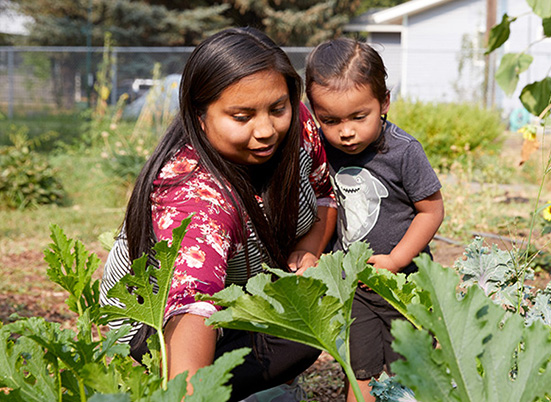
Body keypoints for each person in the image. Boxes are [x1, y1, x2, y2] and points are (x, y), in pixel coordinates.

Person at [100, 27, 337, 401]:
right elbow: (192, 307)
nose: (266, 130)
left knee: (307, 325)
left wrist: (310, 246)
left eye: (277, 109)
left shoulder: (297, 126)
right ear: (199, 115)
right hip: (154, 328)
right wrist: (192, 393)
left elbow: (325, 193)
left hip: (235, 297)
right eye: (242, 116)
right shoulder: (196, 196)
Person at [304, 38, 445, 402]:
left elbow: (432, 211)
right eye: (330, 120)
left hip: (405, 287)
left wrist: (396, 261)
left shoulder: (403, 151)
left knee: (410, 374)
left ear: (383, 102)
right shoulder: (321, 150)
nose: (345, 131)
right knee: (359, 371)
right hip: (356, 290)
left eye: (358, 116)